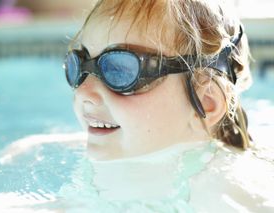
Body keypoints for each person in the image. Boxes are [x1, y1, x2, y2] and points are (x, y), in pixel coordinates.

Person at [59, 0, 274, 212]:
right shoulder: (73, 157)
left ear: (205, 103)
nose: (83, 92)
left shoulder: (225, 191)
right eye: (78, 64)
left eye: (120, 70)